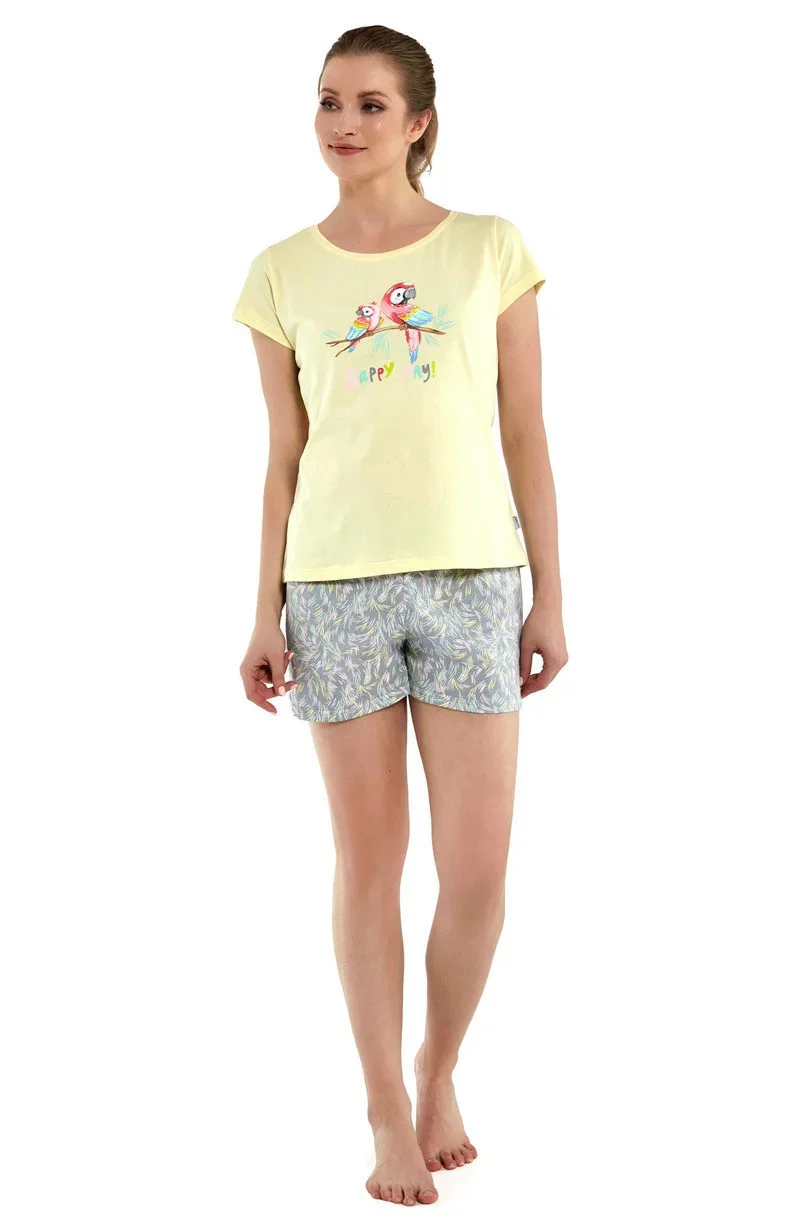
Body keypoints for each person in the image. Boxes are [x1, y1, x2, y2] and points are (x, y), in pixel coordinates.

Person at [232, 23, 567, 1207]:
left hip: (474, 580)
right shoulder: (281, 271)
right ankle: (383, 1108)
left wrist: (550, 593)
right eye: (329, 101)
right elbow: (284, 456)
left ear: (419, 121)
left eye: (371, 104)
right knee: (368, 864)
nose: (344, 124)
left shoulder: (489, 248)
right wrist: (263, 610)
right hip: (334, 589)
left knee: (478, 873)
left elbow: (524, 429)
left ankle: (439, 1067)